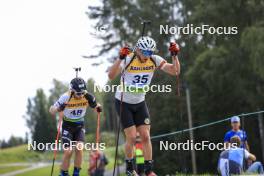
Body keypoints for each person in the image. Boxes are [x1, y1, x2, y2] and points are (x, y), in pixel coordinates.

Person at [108, 36, 181, 176]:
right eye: (145, 52)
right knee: (131, 137)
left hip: (140, 102)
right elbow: (111, 76)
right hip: (124, 102)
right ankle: (130, 168)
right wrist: (120, 58)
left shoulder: (154, 60)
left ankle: (149, 170)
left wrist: (174, 56)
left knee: (146, 137)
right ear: (138, 50)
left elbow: (175, 71)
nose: (147, 55)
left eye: (150, 52)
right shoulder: (128, 59)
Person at [49, 77, 102, 176]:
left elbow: (95, 105)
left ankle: (76, 173)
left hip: (79, 126)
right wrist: (59, 108)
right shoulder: (65, 97)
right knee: (68, 152)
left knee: (79, 148)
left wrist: (98, 108)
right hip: (67, 126)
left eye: (83, 92)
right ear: (72, 90)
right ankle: (64, 173)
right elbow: (51, 110)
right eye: (78, 93)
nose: (81, 95)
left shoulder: (87, 96)